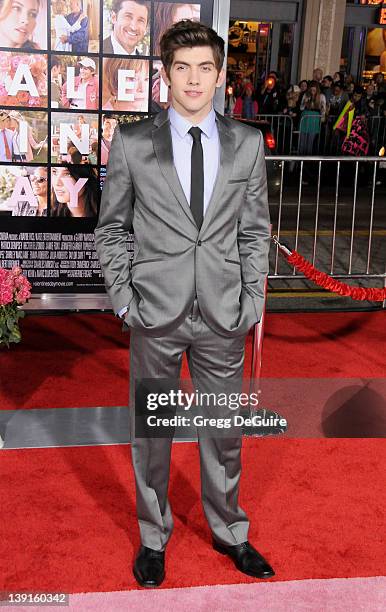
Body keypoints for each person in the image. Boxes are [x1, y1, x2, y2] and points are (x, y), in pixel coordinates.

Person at [95, 19, 273, 588]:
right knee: (153, 431)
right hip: (154, 312)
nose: (194, 79)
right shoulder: (131, 142)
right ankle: (153, 537)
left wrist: (252, 301)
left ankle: (230, 532)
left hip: (223, 314)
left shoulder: (247, 144)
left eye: (204, 68)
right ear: (165, 76)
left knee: (223, 430)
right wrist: (125, 300)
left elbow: (253, 232)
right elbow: (112, 229)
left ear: (221, 76)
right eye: (182, 68)